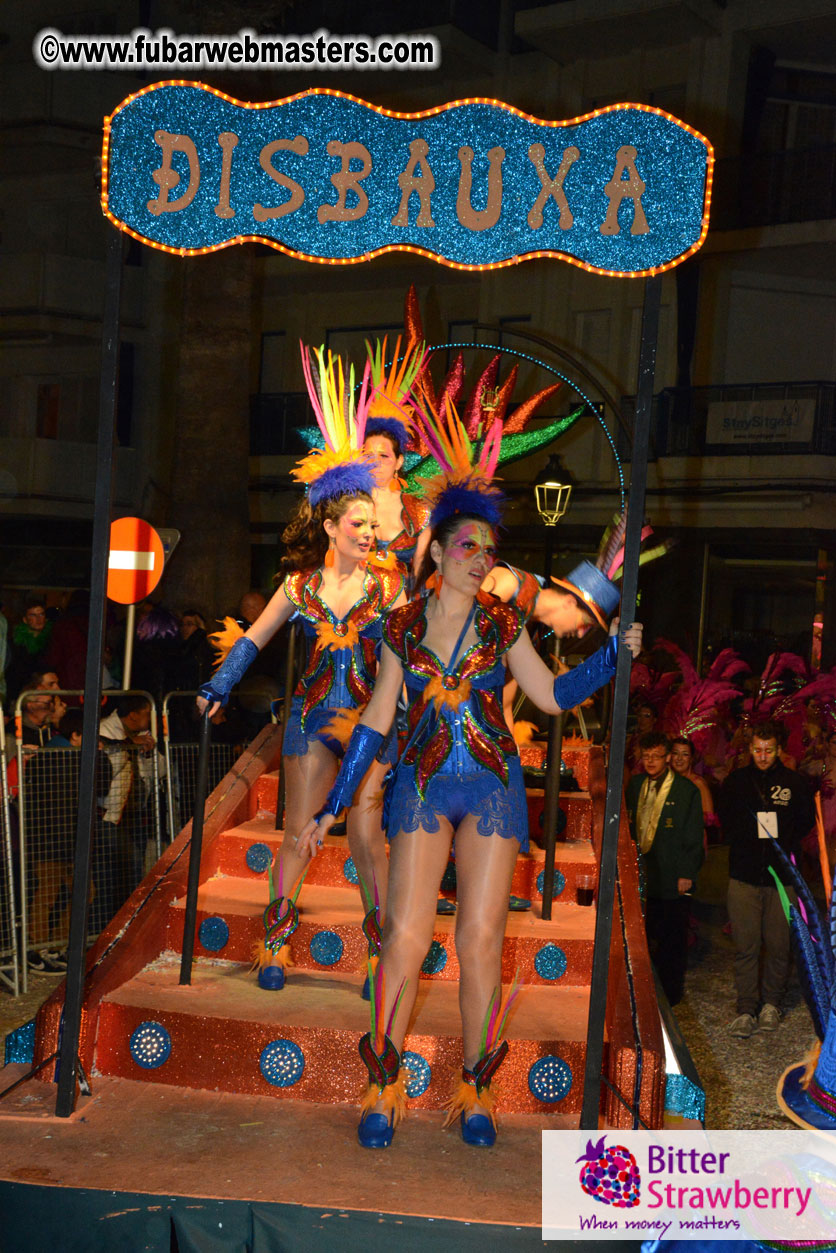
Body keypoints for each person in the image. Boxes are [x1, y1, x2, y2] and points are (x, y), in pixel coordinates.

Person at [300, 393, 643, 1150]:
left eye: (491, 549)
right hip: (421, 786)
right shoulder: (398, 625)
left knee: (483, 938)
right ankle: (382, 1083)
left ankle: (475, 1088)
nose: (484, 558)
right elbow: (380, 719)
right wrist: (337, 793)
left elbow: (550, 696)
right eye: (470, 546)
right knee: (404, 936)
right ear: (440, 548)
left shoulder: (503, 622)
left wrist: (609, 659)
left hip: (491, 787)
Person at [198, 345, 405, 990]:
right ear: (332, 524)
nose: (370, 532)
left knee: (368, 837)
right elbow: (253, 639)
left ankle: (379, 952)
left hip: (370, 722)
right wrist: (219, 684)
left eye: (374, 523)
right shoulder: (298, 586)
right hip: (312, 717)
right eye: (360, 522)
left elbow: (413, 656)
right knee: (297, 834)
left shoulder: (389, 591)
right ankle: (276, 945)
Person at [718, 719, 815, 1038]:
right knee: (746, 945)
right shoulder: (736, 782)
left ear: (778, 750)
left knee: (778, 945)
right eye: (757, 749)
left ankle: (771, 1003)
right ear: (749, 749)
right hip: (744, 876)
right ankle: (746, 1008)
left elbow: (804, 823)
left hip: (781, 880)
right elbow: (726, 822)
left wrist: (781, 842)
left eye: (768, 750)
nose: (762, 755)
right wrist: (749, 838)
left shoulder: (795, 784)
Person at [625, 732, 704, 1006]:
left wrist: (687, 874)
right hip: (643, 873)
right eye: (645, 757)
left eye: (656, 757)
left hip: (672, 875)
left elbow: (693, 835)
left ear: (668, 758)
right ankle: (641, 992)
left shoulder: (686, 790)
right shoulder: (636, 785)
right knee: (643, 935)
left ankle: (670, 995)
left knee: (672, 939)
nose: (650, 762)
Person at [361, 337, 431, 584]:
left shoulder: (420, 511)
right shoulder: (345, 505)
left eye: (384, 456)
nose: (375, 462)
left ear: (399, 461)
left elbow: (419, 572)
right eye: (368, 456)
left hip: (401, 612)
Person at [669, 736, 716, 845]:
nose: (679, 758)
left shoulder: (697, 783)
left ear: (691, 759)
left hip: (691, 841)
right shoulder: (667, 781)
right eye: (675, 753)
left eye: (685, 754)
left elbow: (709, 818)